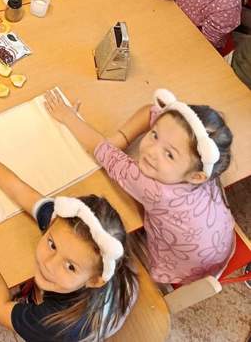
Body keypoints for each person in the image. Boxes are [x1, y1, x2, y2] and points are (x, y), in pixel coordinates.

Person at [0, 131, 138, 342]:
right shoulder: (72, 229)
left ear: (94, 280)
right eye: (52, 245)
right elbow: (21, 192)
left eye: (70, 266)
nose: (48, 264)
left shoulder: (52, 325)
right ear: (53, 222)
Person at [44, 87, 235, 285]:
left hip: (180, 271)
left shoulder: (156, 191)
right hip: (220, 248)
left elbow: (102, 150)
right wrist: (121, 139)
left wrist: (68, 117)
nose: (152, 151)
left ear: (197, 177)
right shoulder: (204, 165)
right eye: (155, 135)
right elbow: (151, 111)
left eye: (169, 154)